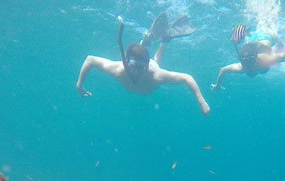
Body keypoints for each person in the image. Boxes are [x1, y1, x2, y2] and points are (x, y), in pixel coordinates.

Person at [76, 14, 210, 115]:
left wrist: (201, 101)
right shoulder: (117, 68)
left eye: (140, 68)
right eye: (132, 66)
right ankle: (151, 40)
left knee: (156, 62)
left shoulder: (157, 75)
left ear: (146, 67)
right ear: (126, 63)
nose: (135, 72)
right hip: (146, 65)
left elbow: (187, 78)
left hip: (152, 65)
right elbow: (90, 59)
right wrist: (79, 85)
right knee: (153, 59)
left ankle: (162, 41)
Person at [212, 24, 285, 90]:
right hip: (252, 43)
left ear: (256, 60)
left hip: (265, 37)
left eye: (250, 65)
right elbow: (223, 69)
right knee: (246, 49)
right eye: (247, 65)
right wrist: (218, 85)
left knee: (279, 44)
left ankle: (267, 24)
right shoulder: (243, 65)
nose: (249, 67)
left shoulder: (264, 61)